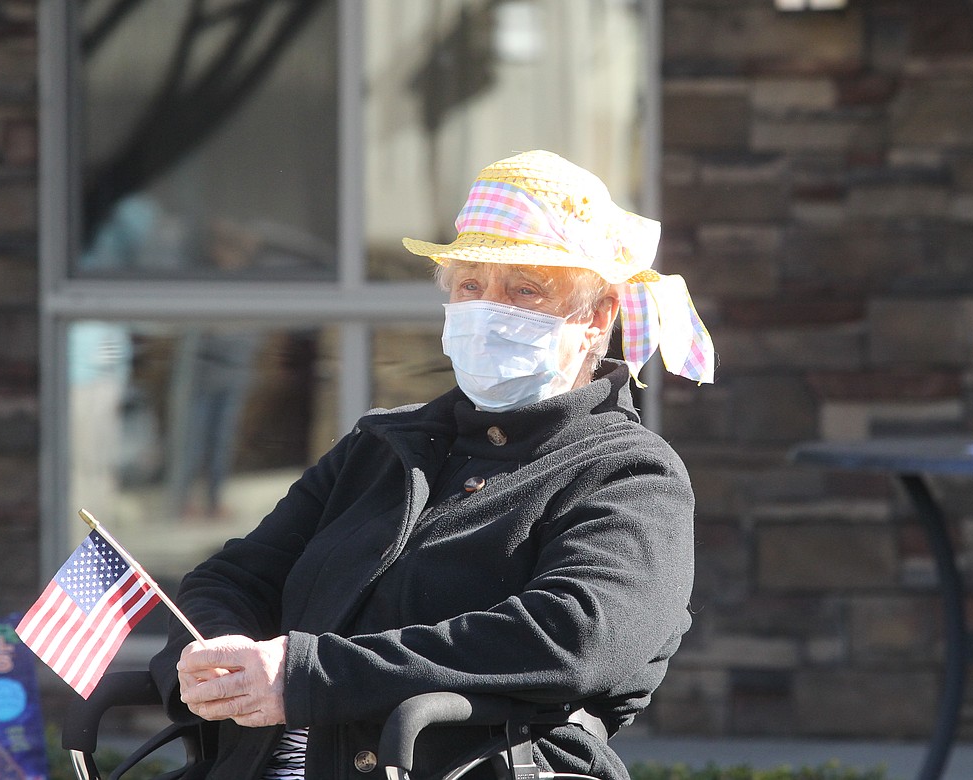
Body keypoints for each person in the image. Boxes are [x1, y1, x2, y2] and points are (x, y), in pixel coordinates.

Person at [149, 149, 716, 780]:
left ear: (598, 316)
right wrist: (214, 654)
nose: (487, 310)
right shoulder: (383, 444)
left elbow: (575, 637)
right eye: (471, 287)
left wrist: (306, 675)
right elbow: (235, 577)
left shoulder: (629, 473)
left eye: (524, 290)